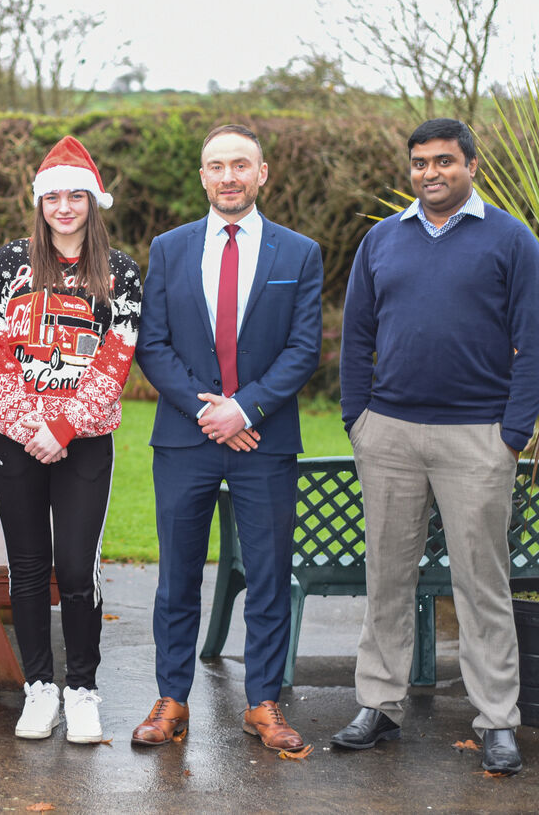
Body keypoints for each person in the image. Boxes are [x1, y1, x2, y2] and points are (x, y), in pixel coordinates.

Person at [333, 118, 539, 775]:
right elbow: (355, 337)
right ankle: (379, 704)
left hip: (476, 436)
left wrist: (510, 434)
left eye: (444, 162)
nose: (430, 172)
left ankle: (496, 720)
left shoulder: (511, 241)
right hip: (390, 433)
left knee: (481, 583)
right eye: (420, 163)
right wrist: (358, 419)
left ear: (472, 166)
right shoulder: (381, 241)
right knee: (388, 575)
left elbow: (535, 343)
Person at [133, 124, 323, 751]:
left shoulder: (298, 253)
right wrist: (206, 412)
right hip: (185, 439)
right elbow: (152, 345)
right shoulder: (170, 248)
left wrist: (245, 411)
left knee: (268, 574)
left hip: (263, 438)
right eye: (217, 166)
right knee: (178, 576)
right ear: (203, 177)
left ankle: (263, 703)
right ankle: (172, 700)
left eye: (241, 165)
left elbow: (303, 349)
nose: (229, 177)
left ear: (262, 173)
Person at [0, 135, 141, 743]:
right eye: (53, 196)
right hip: (14, 436)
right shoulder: (9, 262)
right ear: (39, 201)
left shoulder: (119, 269)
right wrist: (30, 427)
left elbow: (118, 356)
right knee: (25, 565)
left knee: (76, 565)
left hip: (84, 440)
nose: (64, 207)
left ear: (93, 202)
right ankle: (39, 688)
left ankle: (83, 688)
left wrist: (63, 428)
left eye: (76, 196)